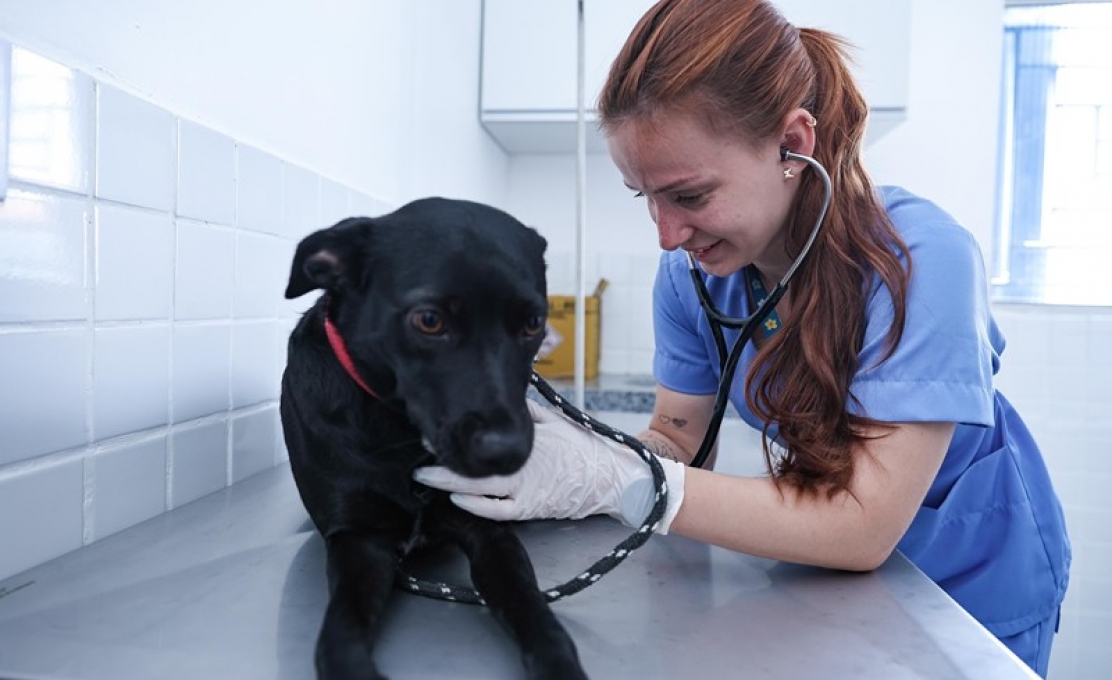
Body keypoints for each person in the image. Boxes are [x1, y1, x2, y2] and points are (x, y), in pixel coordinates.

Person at [415, 0, 1070, 675]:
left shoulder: (921, 261)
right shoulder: (690, 279)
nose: (667, 235)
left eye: (689, 196)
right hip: (825, 570)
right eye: (646, 198)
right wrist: (575, 460)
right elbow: (677, 438)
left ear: (793, 144)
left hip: (969, 583)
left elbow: (864, 524)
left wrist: (623, 483)